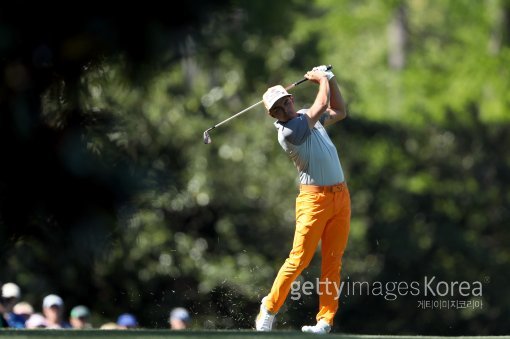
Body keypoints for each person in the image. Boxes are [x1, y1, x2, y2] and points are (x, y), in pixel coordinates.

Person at [255, 65, 351, 334]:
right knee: (299, 259)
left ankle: (325, 321)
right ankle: (270, 307)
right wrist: (322, 79)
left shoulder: (308, 118)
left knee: (333, 260)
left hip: (340, 197)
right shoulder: (289, 130)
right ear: (273, 115)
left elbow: (339, 110)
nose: (282, 111)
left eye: (284, 103)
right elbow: (321, 104)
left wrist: (331, 80)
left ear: (290, 99)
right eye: (276, 110)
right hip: (314, 201)